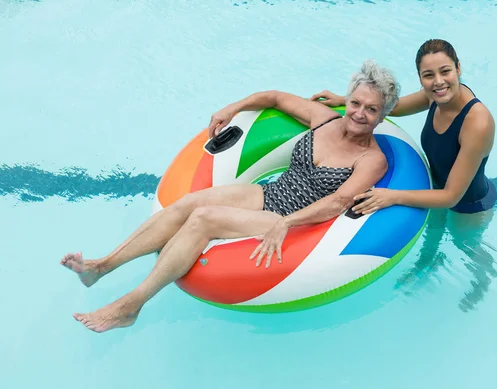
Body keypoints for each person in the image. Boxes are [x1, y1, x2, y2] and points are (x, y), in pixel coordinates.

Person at [59, 60, 399, 333]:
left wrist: (286, 222)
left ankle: (130, 305)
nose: (359, 113)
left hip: (292, 221)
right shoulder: (323, 120)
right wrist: (231, 108)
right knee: (192, 202)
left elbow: (338, 202)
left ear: (382, 115)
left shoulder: (372, 160)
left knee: (204, 219)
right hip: (269, 193)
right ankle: (101, 266)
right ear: (347, 98)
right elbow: (276, 97)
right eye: (355, 102)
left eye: (371, 109)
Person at [312, 39, 497, 311]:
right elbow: (395, 107)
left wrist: (392, 196)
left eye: (445, 71)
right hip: (430, 190)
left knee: (467, 246)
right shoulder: (435, 94)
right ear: (421, 78)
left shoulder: (477, 122)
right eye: (428, 75)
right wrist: (347, 101)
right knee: (432, 234)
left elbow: (451, 197)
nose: (438, 81)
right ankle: (427, 264)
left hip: (467, 205)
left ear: (459, 69)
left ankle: (483, 279)